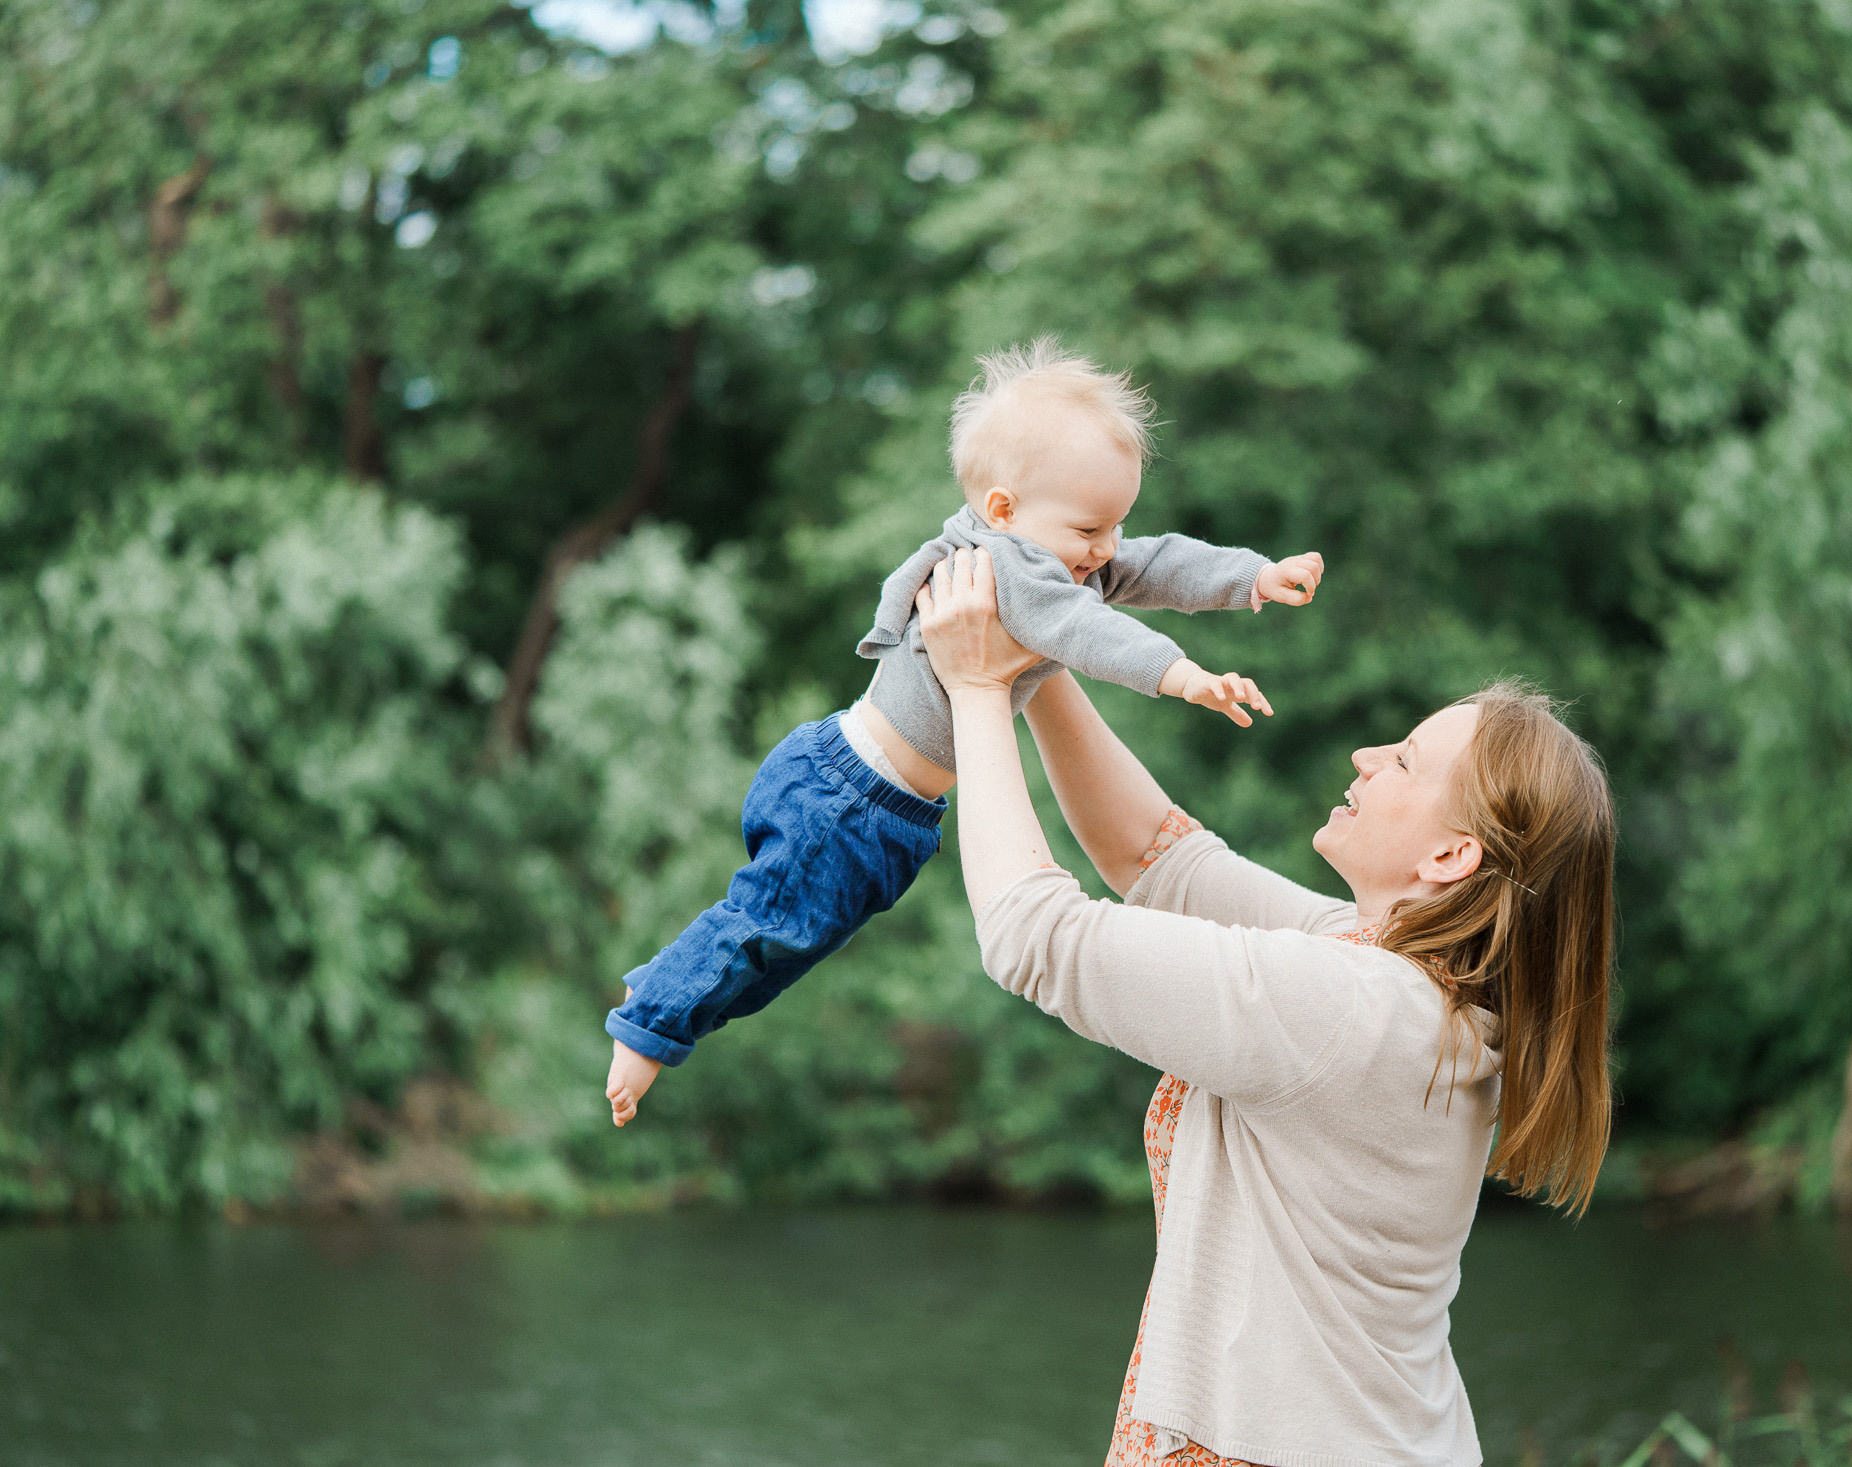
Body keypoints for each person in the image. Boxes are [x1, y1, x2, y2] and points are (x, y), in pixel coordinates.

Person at [918, 546, 1615, 1467]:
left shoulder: (1358, 1008)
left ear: (1451, 859)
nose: (1367, 756)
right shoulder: (1400, 984)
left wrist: (974, 688)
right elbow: (1155, 857)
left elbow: (1032, 934)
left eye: (1403, 760)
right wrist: (1037, 649)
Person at [603, 338, 1326, 1126]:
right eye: (1092, 528)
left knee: (792, 940)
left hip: (888, 808)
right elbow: (1092, 635)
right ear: (1005, 509)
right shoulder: (1017, 568)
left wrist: (1252, 576)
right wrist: (1185, 676)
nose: (1108, 549)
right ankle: (647, 1025)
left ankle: (666, 992)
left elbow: (1158, 564)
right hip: (849, 797)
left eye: (1117, 523)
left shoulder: (1066, 554)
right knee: (772, 926)